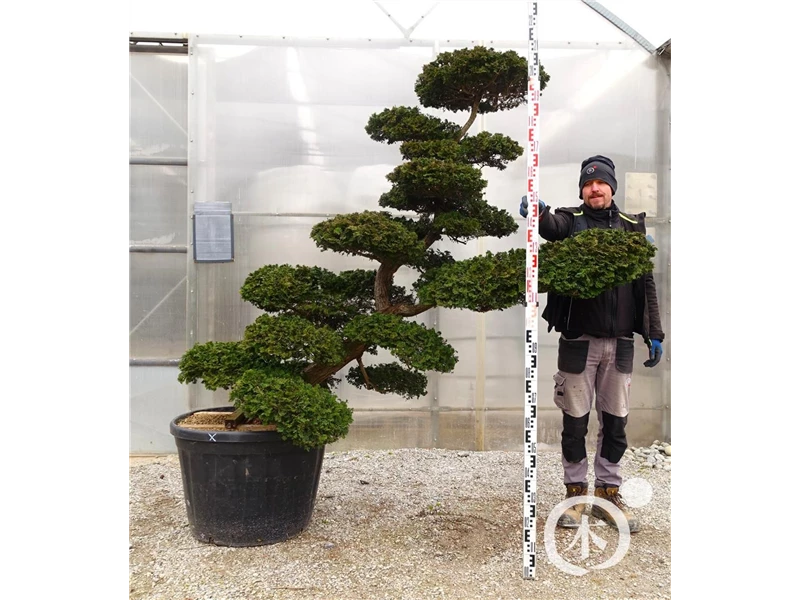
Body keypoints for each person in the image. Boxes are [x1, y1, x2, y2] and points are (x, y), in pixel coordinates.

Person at [519, 155, 665, 533]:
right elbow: (551, 227)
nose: (594, 188)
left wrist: (654, 331)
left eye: (601, 183)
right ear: (582, 190)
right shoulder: (571, 221)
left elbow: (645, 283)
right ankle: (574, 494)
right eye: (588, 183)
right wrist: (539, 213)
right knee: (575, 422)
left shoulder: (631, 226)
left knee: (615, 422)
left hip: (620, 342)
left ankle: (607, 493)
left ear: (612, 187)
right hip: (578, 341)